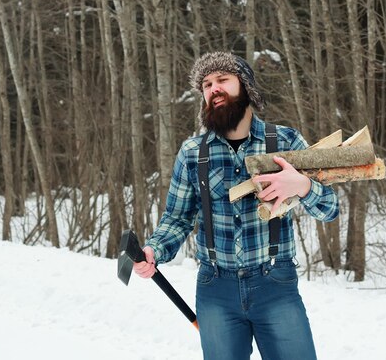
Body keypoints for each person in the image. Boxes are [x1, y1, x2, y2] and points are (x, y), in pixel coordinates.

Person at [134, 51, 339, 360]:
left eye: (223, 80)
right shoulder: (193, 153)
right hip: (216, 290)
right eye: (206, 84)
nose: (213, 88)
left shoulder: (284, 141)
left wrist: (303, 186)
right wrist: (154, 250)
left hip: (275, 284)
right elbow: (177, 218)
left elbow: (331, 208)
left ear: (245, 86)